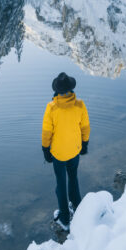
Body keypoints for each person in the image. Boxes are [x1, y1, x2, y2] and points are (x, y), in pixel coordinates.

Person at [41, 72, 90, 231]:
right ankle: (79, 209)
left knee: (60, 185)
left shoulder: (52, 107)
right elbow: (85, 128)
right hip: (74, 151)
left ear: (57, 91)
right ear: (71, 89)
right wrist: (85, 145)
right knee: (73, 179)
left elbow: (47, 132)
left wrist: (46, 151)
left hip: (58, 154)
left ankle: (64, 218)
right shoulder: (80, 105)